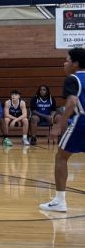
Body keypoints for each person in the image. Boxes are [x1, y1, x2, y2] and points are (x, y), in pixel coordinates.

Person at [40, 47, 85, 214]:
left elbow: (72, 102)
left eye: (67, 60)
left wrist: (59, 125)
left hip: (81, 121)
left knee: (61, 157)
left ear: (75, 64)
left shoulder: (72, 79)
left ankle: (59, 201)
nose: (64, 63)